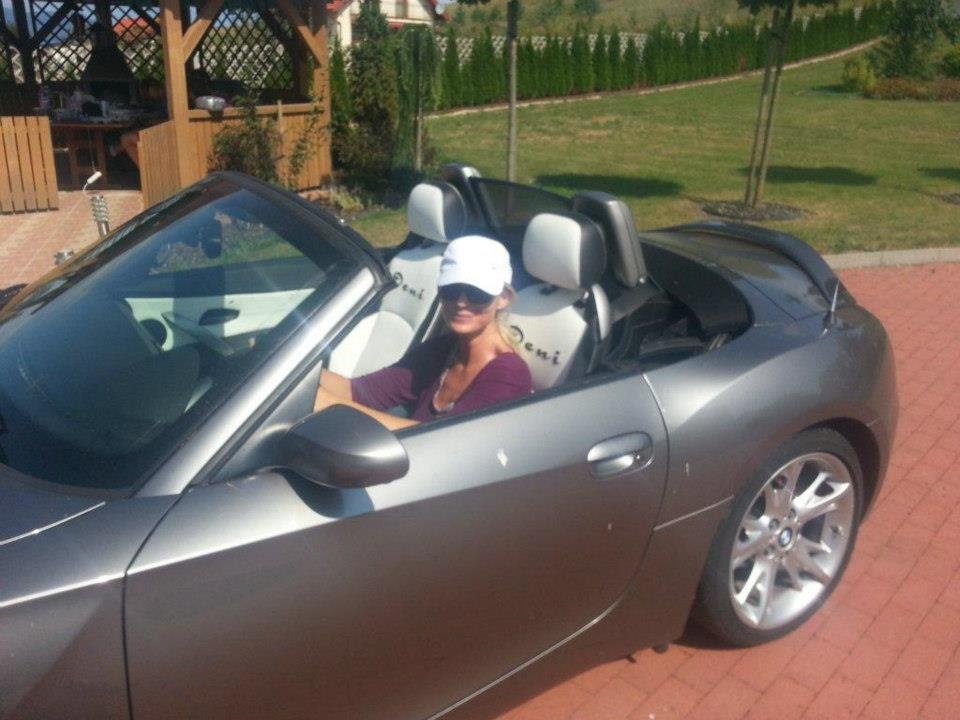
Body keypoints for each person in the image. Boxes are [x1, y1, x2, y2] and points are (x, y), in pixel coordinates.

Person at [315, 235, 533, 430]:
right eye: (451, 290)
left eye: (477, 293)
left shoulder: (509, 375)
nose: (461, 302)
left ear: (503, 298)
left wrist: (326, 403)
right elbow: (360, 392)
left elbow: (445, 440)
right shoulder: (445, 349)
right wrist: (303, 374)